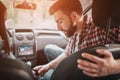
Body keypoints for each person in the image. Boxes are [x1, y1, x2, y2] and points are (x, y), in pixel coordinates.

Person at [33, 0, 119, 80]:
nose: (58, 28)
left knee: (43, 77)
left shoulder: (106, 28)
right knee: (49, 48)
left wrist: (114, 67)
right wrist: (48, 66)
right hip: (74, 62)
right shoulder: (74, 30)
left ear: (74, 17)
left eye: (60, 22)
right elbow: (67, 53)